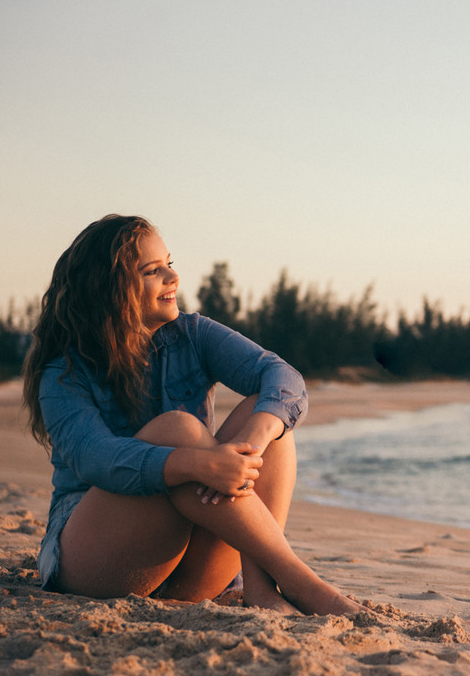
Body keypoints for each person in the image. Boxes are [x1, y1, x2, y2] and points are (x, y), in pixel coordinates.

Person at [22, 214, 363, 616]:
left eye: (170, 263)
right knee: (178, 429)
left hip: (192, 574)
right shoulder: (64, 373)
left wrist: (249, 443)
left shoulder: (193, 334)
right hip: (98, 560)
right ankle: (299, 578)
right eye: (153, 271)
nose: (172, 277)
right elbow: (95, 458)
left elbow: (283, 378)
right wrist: (193, 463)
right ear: (109, 289)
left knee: (270, 418)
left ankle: (260, 586)